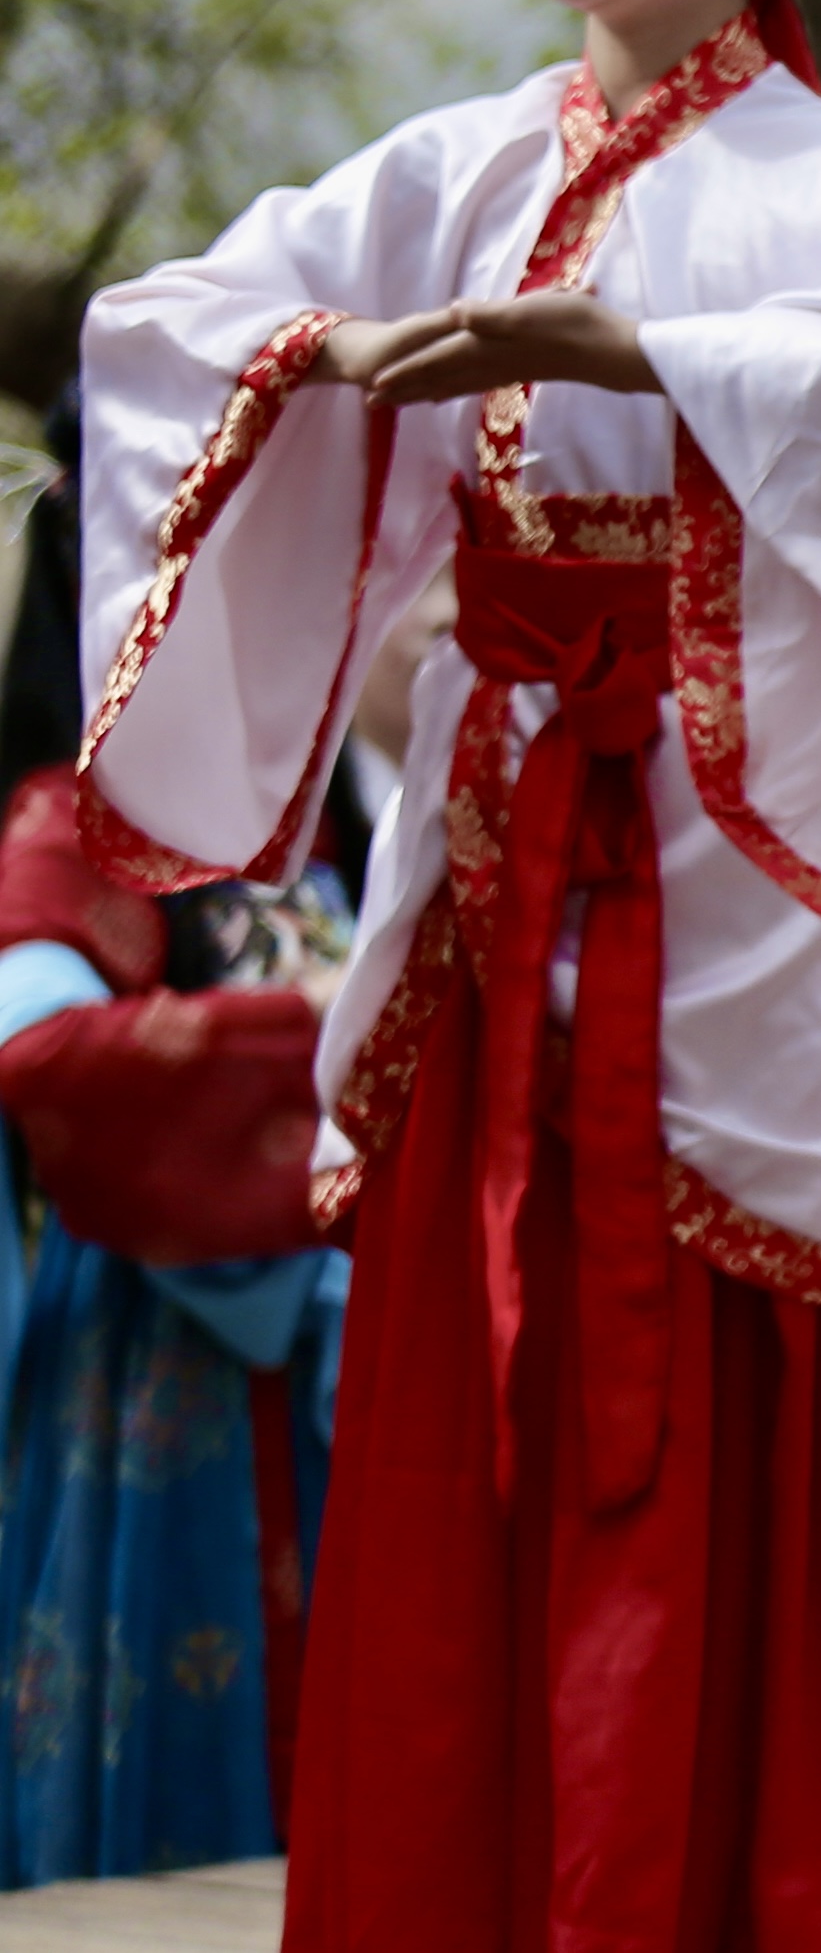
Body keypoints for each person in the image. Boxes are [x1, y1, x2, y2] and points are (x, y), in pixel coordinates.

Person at [72, 0, 821, 1949]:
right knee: (469, 1368)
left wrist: (629, 347)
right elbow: (169, 326)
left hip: (708, 885)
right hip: (498, 863)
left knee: (690, 1365)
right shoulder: (471, 165)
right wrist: (319, 352)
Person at [0, 386, 350, 1885]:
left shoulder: (294, 825)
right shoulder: (68, 818)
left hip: (324, 1354)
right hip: (163, 1366)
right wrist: (316, 1026)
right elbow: (39, 1056)